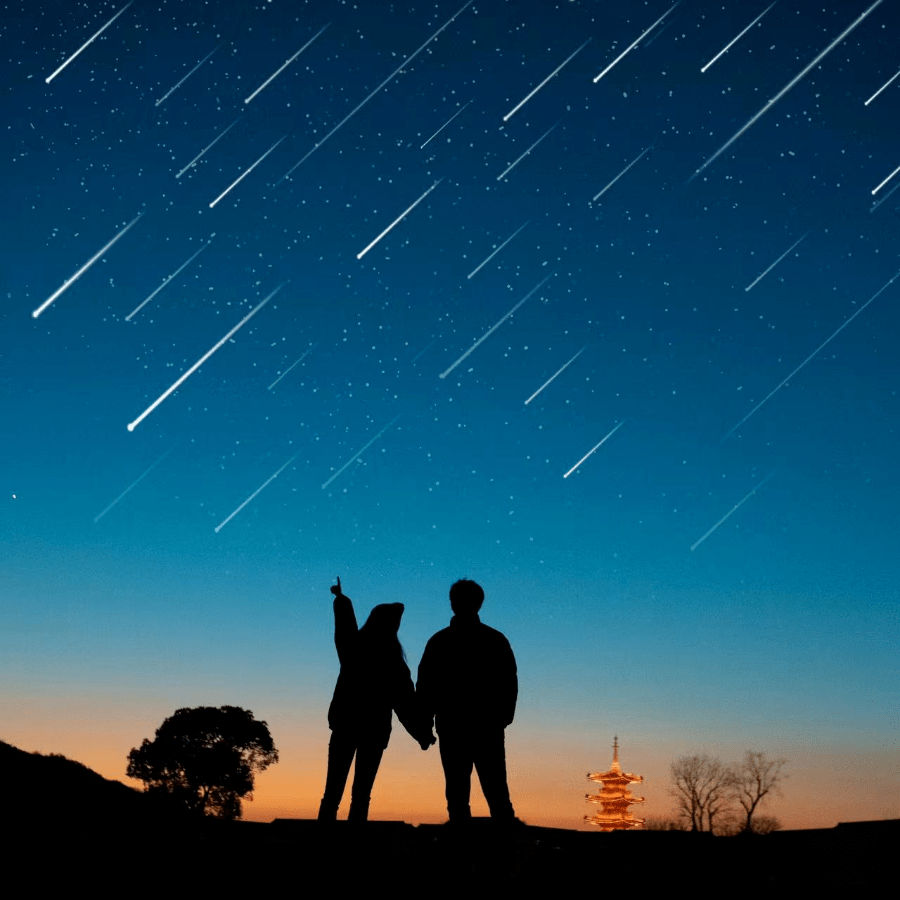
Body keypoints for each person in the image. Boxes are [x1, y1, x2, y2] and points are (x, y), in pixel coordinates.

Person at [318, 577, 435, 822]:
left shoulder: (354, 648)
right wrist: (422, 733)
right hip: (373, 731)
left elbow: (345, 626)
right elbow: (406, 705)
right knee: (361, 795)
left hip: (346, 726)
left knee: (333, 794)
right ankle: (352, 847)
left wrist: (341, 599)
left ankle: (325, 845)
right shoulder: (393, 662)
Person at [417, 579, 517, 822]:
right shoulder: (494, 640)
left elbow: (425, 687)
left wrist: (425, 721)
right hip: (475, 726)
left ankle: (467, 848)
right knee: (482, 792)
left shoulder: (440, 641)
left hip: (465, 725)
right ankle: (500, 848)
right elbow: (509, 682)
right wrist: (502, 717)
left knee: (473, 792)